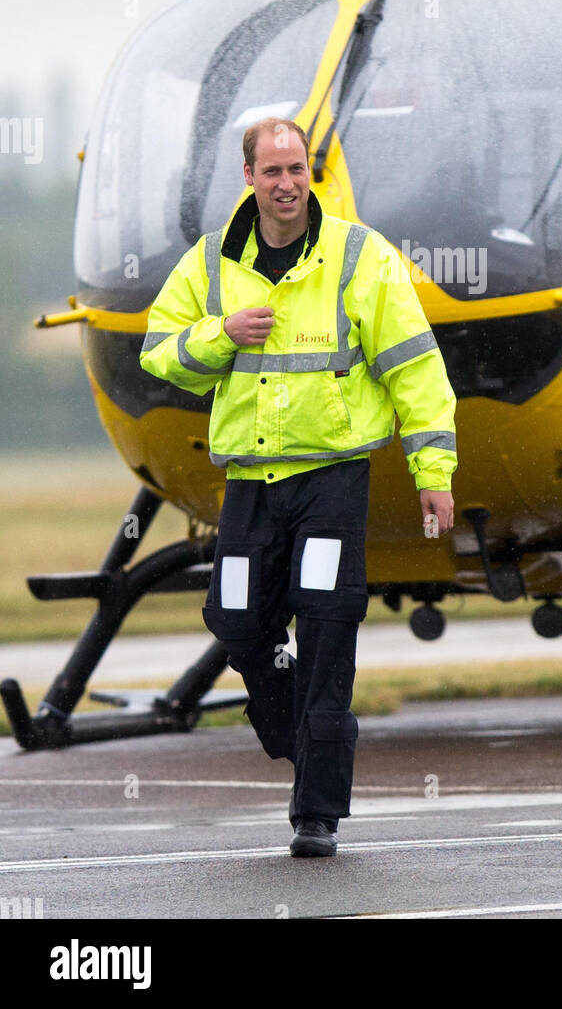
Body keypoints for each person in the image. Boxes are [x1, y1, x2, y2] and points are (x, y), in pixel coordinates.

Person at [140, 116, 456, 856]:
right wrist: (221, 334)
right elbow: (159, 352)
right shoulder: (211, 264)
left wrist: (431, 472)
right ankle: (285, 718)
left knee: (325, 628)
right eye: (272, 171)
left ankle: (316, 812)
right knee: (238, 622)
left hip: (331, 480)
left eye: (297, 170)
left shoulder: (359, 256)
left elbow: (416, 367)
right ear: (248, 177)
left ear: (310, 174)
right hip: (250, 483)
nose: (287, 184)